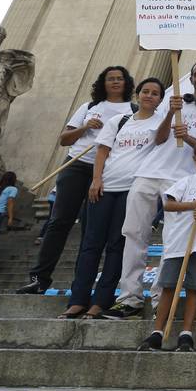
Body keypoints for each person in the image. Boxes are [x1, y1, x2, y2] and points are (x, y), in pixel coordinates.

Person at [103, 60, 196, 319]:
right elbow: (157, 139)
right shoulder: (173, 100)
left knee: (172, 241)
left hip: (184, 180)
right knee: (133, 234)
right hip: (149, 172)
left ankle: (160, 299)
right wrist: (169, 113)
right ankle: (129, 297)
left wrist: (189, 137)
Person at [17, 66, 135, 294]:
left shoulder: (132, 110)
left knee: (91, 229)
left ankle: (81, 285)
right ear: (103, 83)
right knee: (59, 221)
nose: (115, 82)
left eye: (120, 78)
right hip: (77, 165)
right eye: (110, 79)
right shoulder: (89, 107)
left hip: (108, 171)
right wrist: (85, 127)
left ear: (127, 83)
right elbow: (64, 140)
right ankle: (39, 278)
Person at [59, 77, 165, 319]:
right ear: (138, 95)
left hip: (132, 190)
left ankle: (101, 301)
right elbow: (103, 151)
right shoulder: (120, 121)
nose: (149, 95)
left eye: (155, 93)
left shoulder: (160, 124)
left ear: (160, 100)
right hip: (105, 187)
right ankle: (78, 300)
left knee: (118, 246)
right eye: (145, 91)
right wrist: (96, 180)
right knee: (90, 244)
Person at [137, 136, 196, 352]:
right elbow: (168, 204)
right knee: (169, 287)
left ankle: (186, 332)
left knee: (194, 289)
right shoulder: (186, 181)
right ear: (194, 158)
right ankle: (158, 330)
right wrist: (192, 205)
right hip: (179, 243)